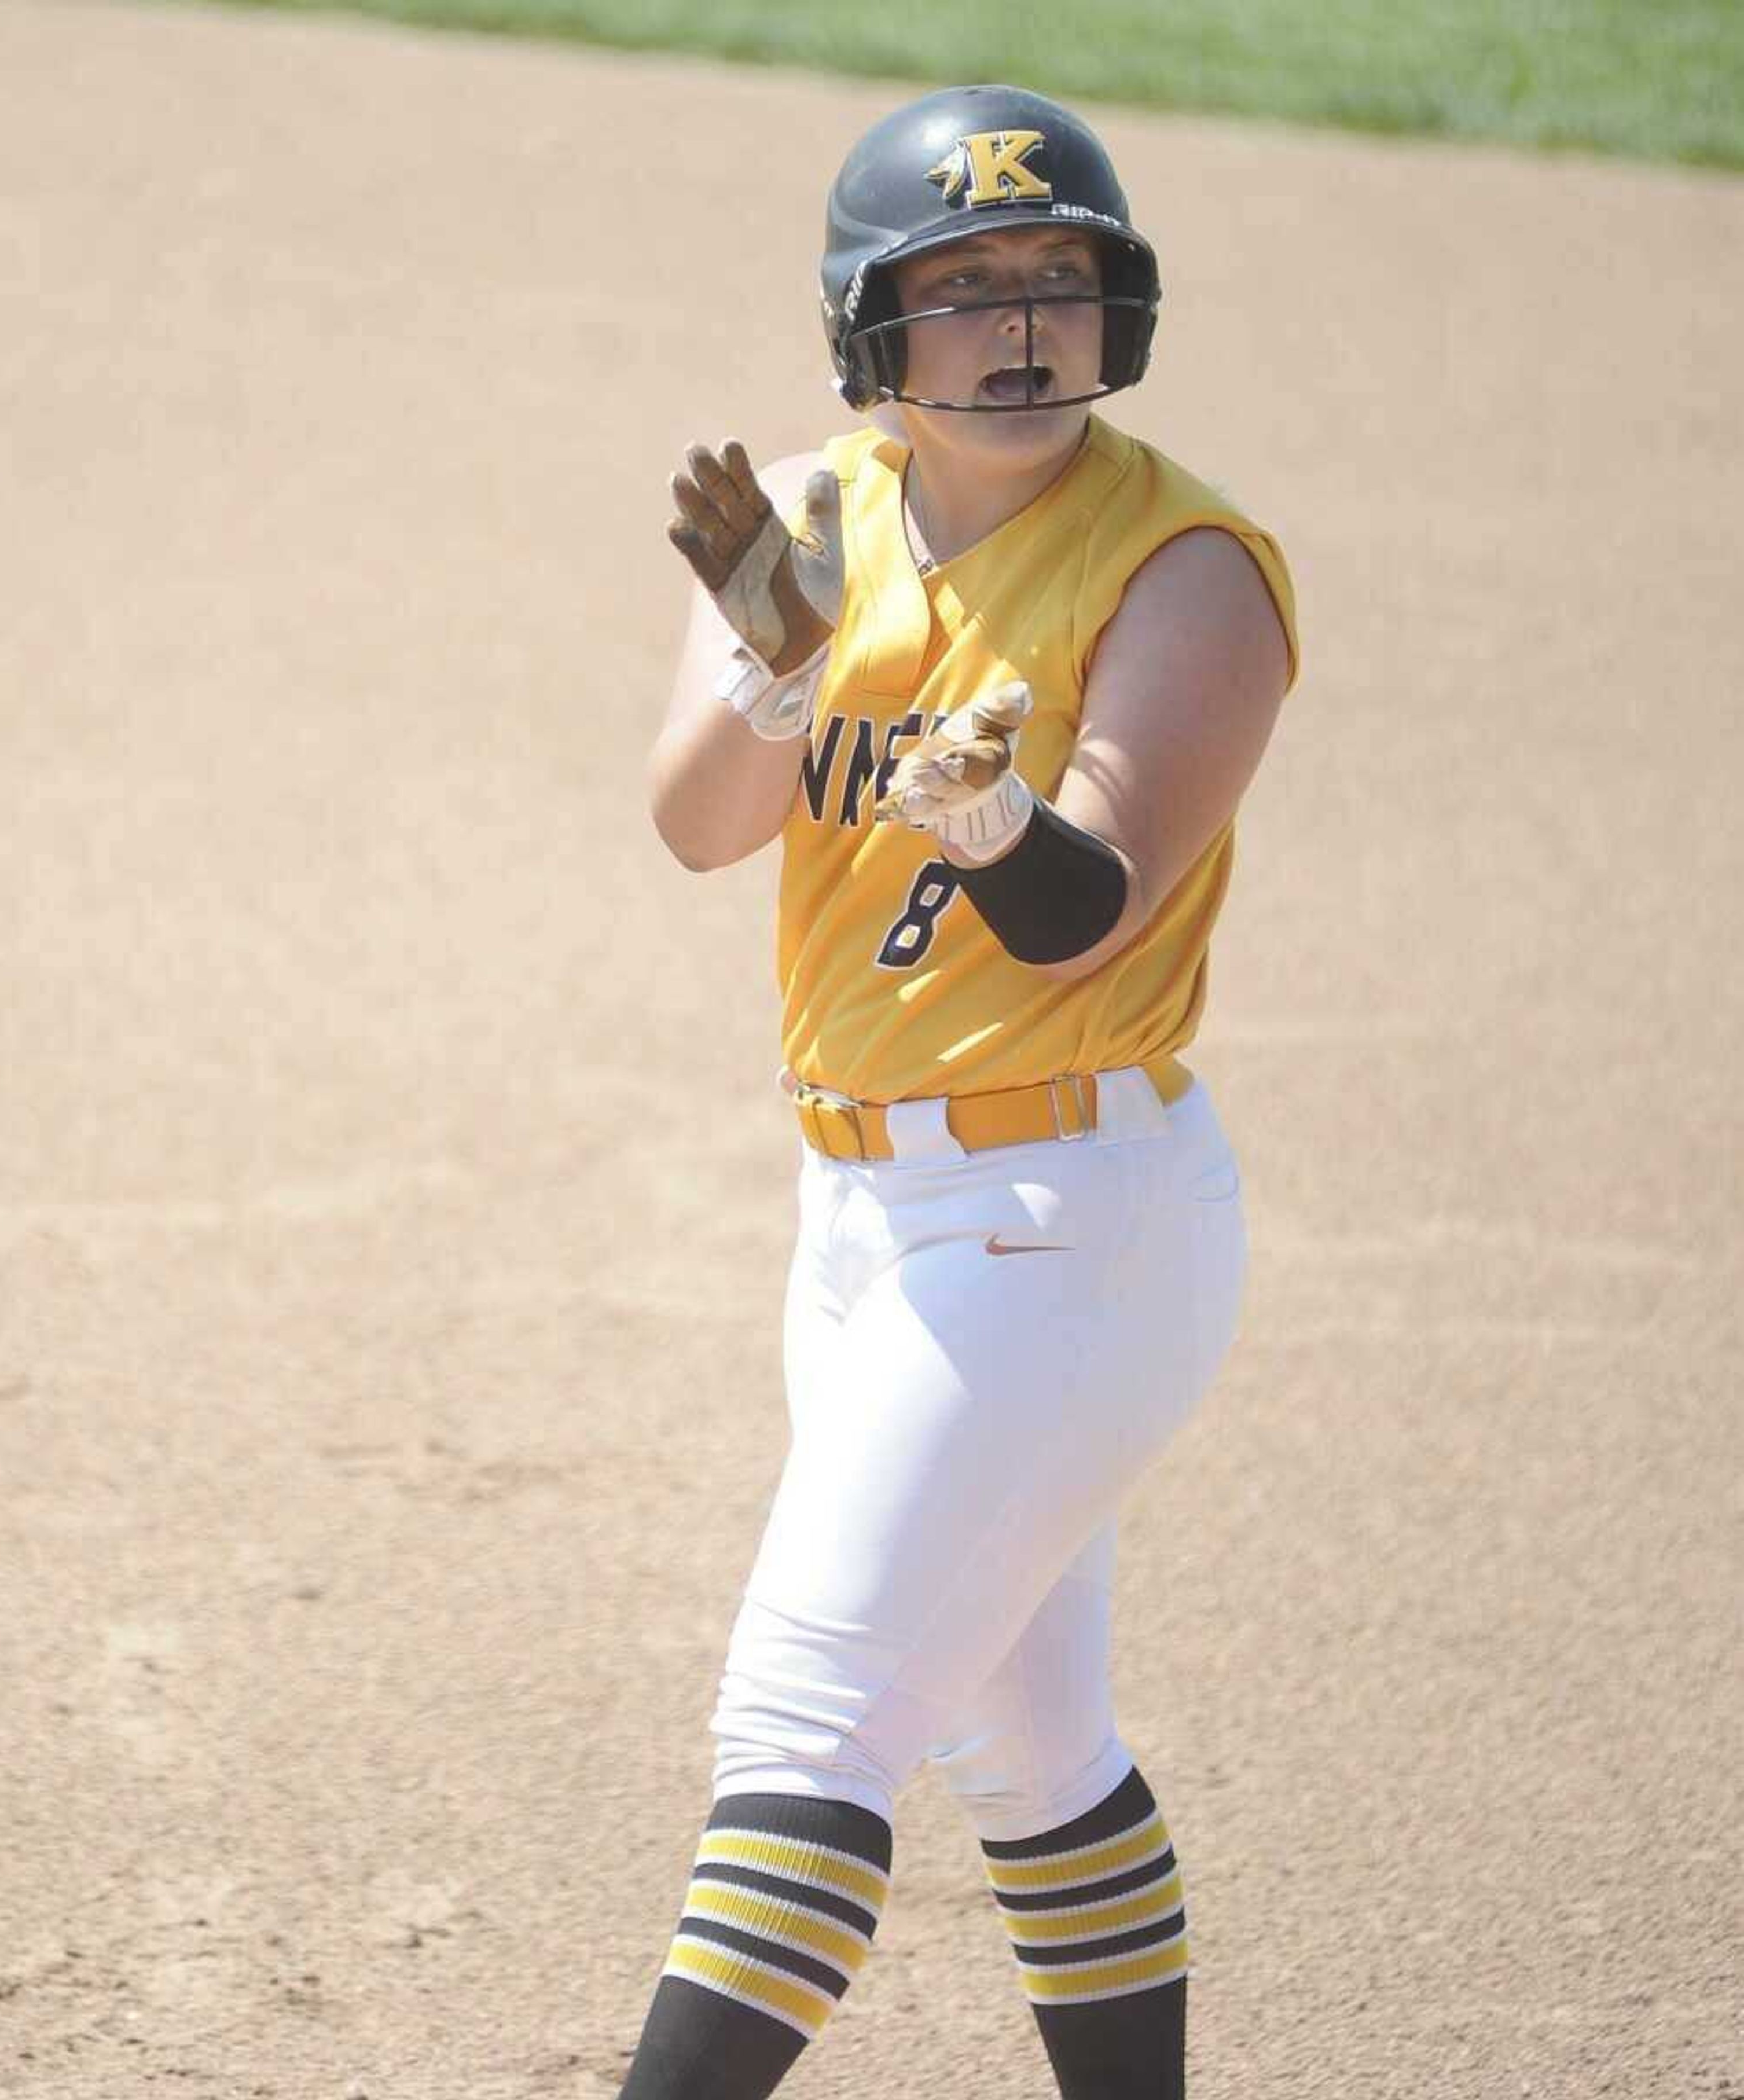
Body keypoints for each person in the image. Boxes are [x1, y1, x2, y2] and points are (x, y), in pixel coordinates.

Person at [623, 83, 1299, 2100]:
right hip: (855, 1228)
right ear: (874, 333)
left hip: (1063, 1229)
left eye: (1061, 279)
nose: (1023, 324)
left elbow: (1083, 909)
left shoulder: (1189, 565)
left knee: (807, 1725)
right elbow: (694, 825)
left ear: (1120, 314)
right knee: (1027, 1746)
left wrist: (989, 810)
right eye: (969, 286)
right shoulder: (818, 521)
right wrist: (770, 666)